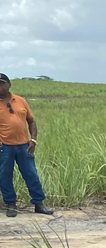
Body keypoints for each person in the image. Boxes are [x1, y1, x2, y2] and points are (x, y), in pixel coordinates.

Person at [0, 74, 52, 217]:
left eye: (2, 83)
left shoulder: (21, 101)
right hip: (4, 147)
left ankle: (39, 203)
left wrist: (33, 140)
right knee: (4, 176)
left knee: (31, 174)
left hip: (24, 146)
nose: (0, 86)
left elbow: (31, 121)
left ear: (9, 84)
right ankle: (11, 204)